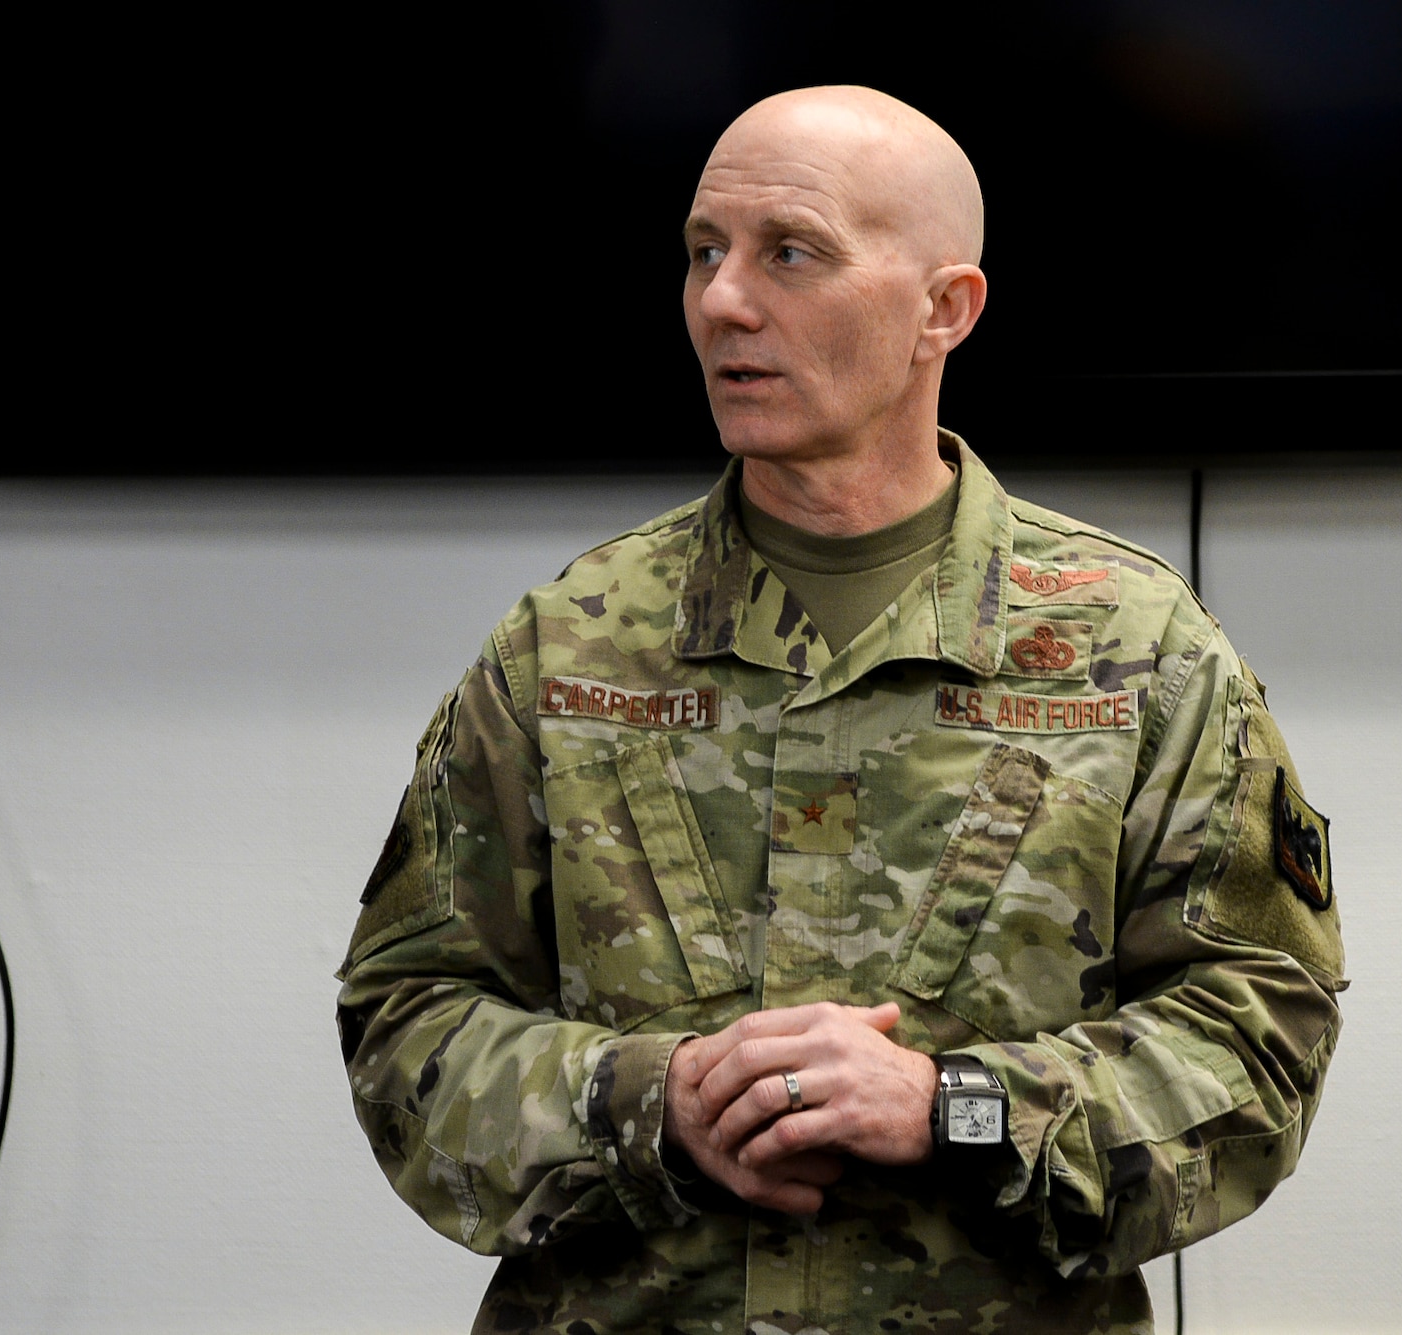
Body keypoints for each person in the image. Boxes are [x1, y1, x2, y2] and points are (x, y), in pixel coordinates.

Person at [336, 85, 1346, 1334]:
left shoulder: (1137, 651)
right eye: (702, 252)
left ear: (944, 309)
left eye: (790, 253)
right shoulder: (565, 646)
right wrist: (653, 1099)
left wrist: (949, 1108)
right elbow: (405, 1021)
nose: (721, 301)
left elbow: (1257, 1040)